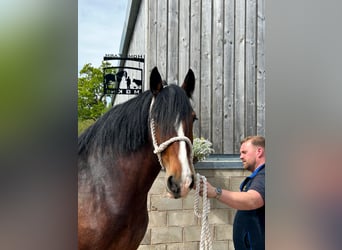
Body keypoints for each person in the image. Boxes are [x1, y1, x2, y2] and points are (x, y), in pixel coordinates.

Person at [199, 136, 265, 250]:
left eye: (244, 152)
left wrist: (216, 192)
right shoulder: (259, 176)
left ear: (259, 151)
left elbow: (252, 200)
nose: (241, 157)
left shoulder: (265, 175)